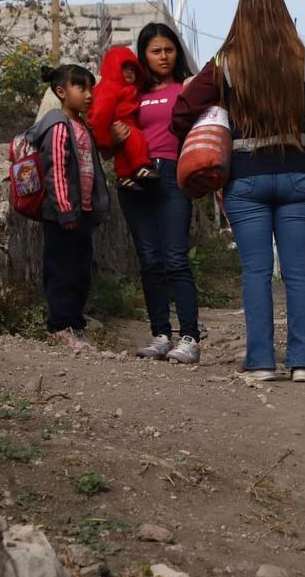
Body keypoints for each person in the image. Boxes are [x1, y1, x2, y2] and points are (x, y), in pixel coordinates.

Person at [172, 0, 305, 382]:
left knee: (255, 272)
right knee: (299, 273)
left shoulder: (227, 63)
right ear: (282, 14)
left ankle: (262, 362)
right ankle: (303, 363)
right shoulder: (303, 61)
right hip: (300, 177)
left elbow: (182, 112)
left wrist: (218, 112)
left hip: (246, 179)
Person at [117, 23, 203, 364]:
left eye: (169, 49)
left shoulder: (188, 88)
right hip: (134, 179)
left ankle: (190, 338)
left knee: (176, 260)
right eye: (156, 51)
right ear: (144, 56)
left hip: (171, 174)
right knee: (150, 262)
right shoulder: (130, 93)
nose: (163, 56)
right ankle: (161, 335)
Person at [25, 64, 109, 349]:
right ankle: (59, 326)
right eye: (81, 88)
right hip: (63, 215)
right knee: (60, 270)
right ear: (61, 92)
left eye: (90, 89)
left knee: (80, 271)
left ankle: (74, 322)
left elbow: (92, 172)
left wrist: (94, 211)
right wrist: (64, 210)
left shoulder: (83, 127)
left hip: (81, 214)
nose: (88, 95)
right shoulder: (58, 125)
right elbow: (56, 172)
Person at [90, 45, 160, 190]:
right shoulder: (109, 87)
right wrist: (104, 139)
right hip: (120, 124)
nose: (130, 71)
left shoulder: (126, 89)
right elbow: (100, 114)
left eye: (133, 69)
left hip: (120, 127)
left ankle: (123, 177)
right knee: (136, 137)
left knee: (123, 151)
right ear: (113, 67)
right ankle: (141, 166)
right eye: (125, 67)